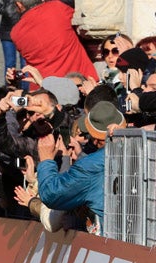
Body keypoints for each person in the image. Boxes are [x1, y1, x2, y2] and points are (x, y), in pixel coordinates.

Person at [37, 101, 125, 234]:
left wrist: (46, 160)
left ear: (97, 140)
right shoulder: (147, 148)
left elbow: (52, 195)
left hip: (113, 243)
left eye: (89, 136)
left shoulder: (90, 166)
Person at [10, 0, 98, 84]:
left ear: (19, 4)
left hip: (45, 87)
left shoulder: (16, 33)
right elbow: (79, 21)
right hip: (82, 79)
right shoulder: (57, 8)